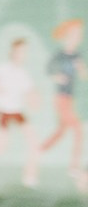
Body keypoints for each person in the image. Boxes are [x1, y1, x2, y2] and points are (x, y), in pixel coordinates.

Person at [0, 36, 39, 186]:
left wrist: (34, 100)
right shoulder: (2, 68)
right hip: (4, 111)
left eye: (25, 52)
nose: (23, 55)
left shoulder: (23, 73)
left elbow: (31, 92)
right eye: (21, 51)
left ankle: (30, 176)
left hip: (17, 111)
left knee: (33, 143)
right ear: (13, 52)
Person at [43, 18, 84, 186]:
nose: (77, 37)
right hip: (60, 99)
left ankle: (40, 150)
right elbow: (48, 70)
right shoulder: (59, 55)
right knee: (78, 131)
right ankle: (73, 167)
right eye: (74, 34)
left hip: (70, 98)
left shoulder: (76, 56)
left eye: (79, 35)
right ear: (68, 36)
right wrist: (57, 77)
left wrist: (82, 69)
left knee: (61, 131)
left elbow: (83, 74)